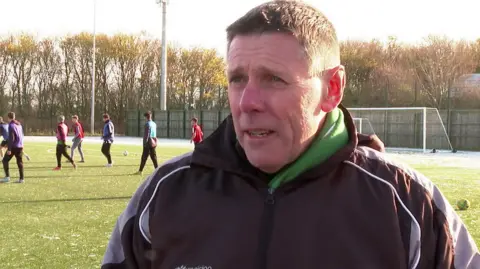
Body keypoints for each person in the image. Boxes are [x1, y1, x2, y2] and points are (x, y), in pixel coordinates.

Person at [101, 1, 480, 269]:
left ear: (332, 88)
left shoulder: (407, 204)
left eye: (274, 79)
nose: (247, 102)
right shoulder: (165, 193)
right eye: (237, 79)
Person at [1, 112, 25, 183]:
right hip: (20, 146)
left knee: (5, 160)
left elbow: (12, 138)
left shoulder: (11, 125)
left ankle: (7, 177)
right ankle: (22, 179)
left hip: (14, 147)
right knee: (20, 162)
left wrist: (9, 149)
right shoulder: (19, 125)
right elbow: (22, 135)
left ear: (8, 118)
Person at [134, 111, 159, 175]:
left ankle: (140, 171)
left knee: (144, 157)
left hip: (148, 143)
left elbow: (147, 135)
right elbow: (155, 134)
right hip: (154, 141)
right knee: (154, 157)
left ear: (146, 117)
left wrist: (145, 143)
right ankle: (157, 170)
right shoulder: (154, 124)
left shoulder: (147, 124)